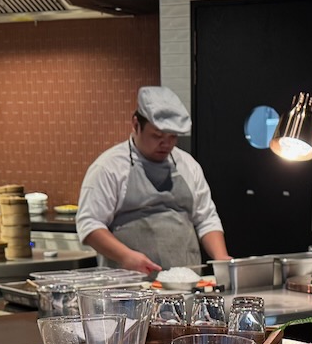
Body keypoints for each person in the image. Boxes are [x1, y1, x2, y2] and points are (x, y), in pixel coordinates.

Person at [75, 86, 230, 274]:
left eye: (173, 137)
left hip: (185, 282)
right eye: (157, 136)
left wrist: (221, 259)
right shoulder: (109, 167)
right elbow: (90, 223)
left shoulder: (188, 165)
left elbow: (206, 218)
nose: (166, 144)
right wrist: (126, 256)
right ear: (135, 124)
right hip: (128, 288)